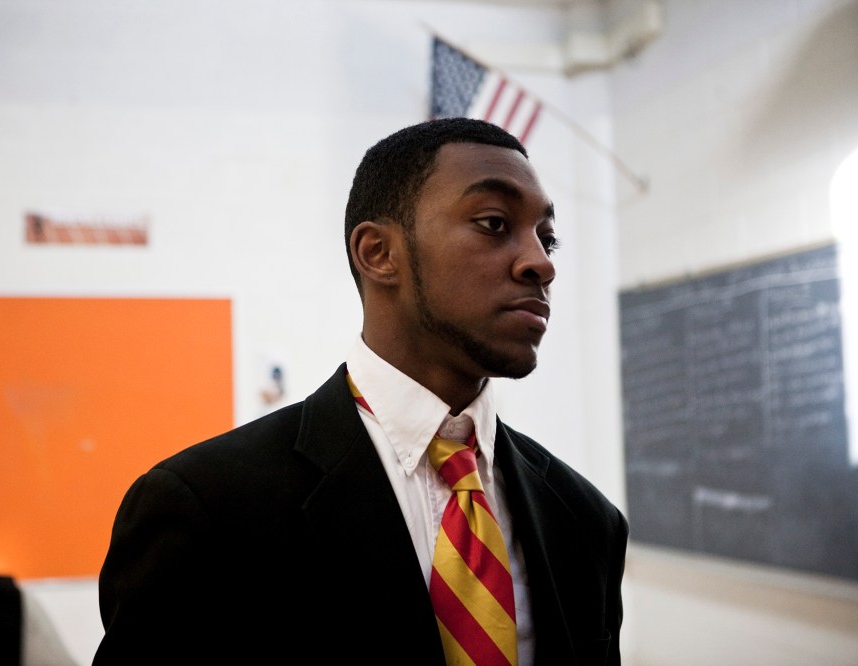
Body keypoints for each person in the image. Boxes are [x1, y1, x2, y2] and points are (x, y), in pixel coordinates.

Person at [94, 118, 628, 665]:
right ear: (378, 253)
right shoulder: (207, 510)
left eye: (547, 236)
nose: (540, 263)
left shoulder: (587, 522)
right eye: (493, 223)